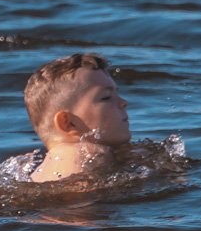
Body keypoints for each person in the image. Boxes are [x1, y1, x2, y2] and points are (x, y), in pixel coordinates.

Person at [13, 52, 132, 183]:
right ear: (68, 123)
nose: (123, 102)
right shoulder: (82, 156)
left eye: (117, 93)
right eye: (106, 97)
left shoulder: (51, 164)